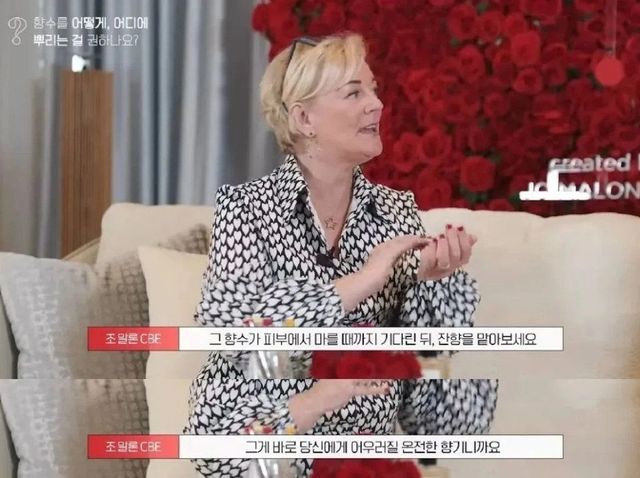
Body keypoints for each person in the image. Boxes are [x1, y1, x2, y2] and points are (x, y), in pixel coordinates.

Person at [184, 32, 498, 477]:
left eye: (373, 90)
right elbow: (239, 339)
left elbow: (423, 387)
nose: (377, 105)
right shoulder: (245, 208)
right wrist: (366, 280)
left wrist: (431, 282)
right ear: (304, 118)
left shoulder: (395, 211)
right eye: (354, 93)